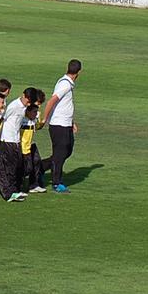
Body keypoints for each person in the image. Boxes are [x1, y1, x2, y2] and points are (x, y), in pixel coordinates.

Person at [41, 59, 81, 193]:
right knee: (60, 154)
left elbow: (64, 106)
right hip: (59, 125)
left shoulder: (67, 83)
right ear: (79, 72)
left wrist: (71, 122)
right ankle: (57, 182)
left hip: (66, 124)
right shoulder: (65, 85)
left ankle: (39, 167)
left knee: (67, 151)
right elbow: (53, 100)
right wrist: (45, 118)